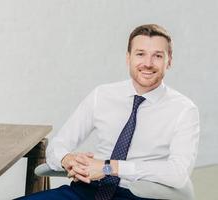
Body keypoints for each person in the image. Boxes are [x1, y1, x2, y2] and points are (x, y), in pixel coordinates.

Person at [14, 24, 200, 200]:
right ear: (128, 58)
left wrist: (110, 168)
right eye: (140, 54)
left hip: (141, 194)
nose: (148, 63)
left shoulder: (183, 109)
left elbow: (178, 173)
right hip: (88, 189)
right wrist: (67, 159)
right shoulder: (102, 95)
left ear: (169, 61)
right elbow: (58, 144)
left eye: (158, 56)